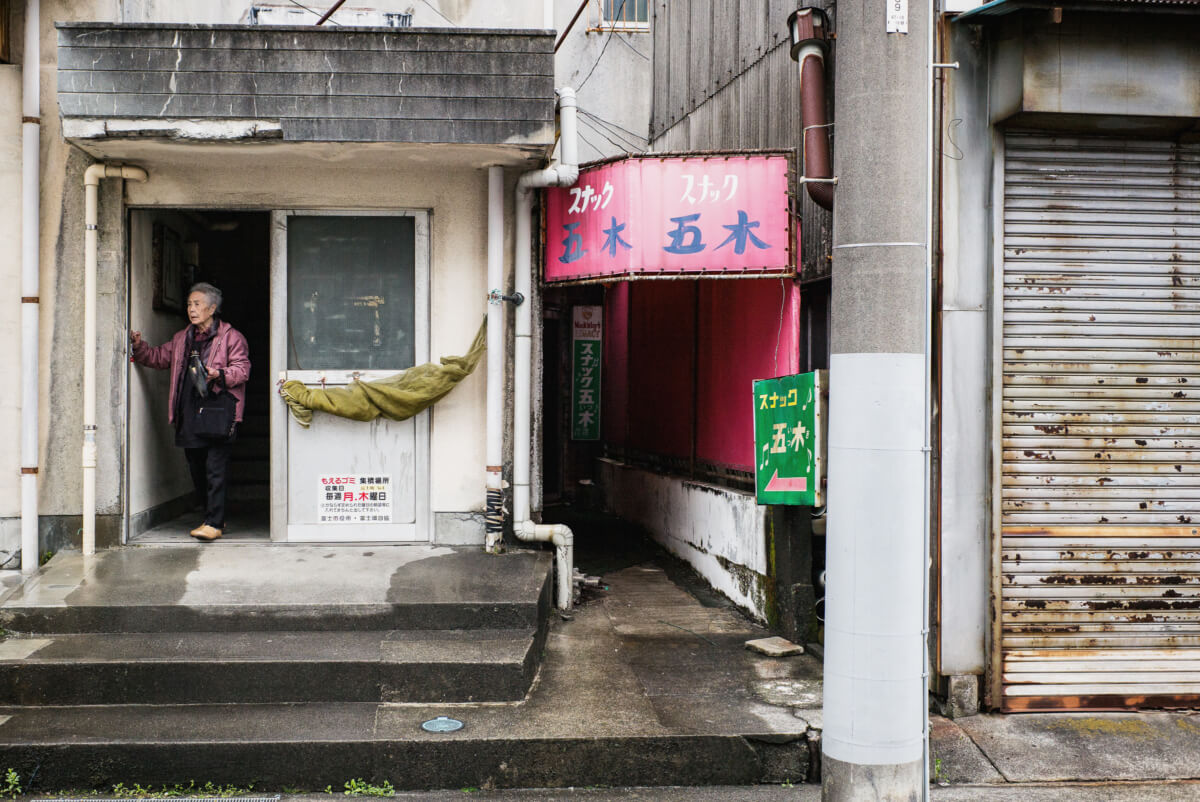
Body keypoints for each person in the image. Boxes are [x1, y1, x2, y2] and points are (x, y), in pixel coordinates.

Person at [131, 283, 251, 541]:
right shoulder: (182, 337)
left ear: (212, 308)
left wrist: (219, 374)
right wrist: (139, 347)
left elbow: (243, 370)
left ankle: (214, 523)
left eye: (197, 304)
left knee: (215, 468)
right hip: (189, 412)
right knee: (196, 468)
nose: (191, 309)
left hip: (219, 411)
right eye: (189, 304)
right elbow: (158, 358)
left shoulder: (231, 337)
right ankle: (213, 516)